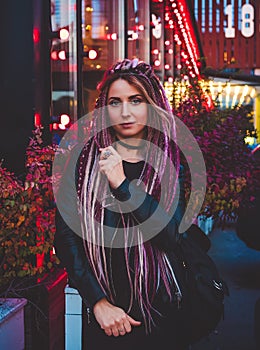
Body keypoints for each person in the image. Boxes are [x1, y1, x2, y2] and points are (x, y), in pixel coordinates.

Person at [54, 58, 190, 349]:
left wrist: (122, 186)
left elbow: (170, 237)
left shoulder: (168, 163)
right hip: (107, 317)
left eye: (135, 100)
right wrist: (98, 302)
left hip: (162, 311)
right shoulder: (82, 162)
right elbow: (66, 237)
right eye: (115, 102)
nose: (125, 112)